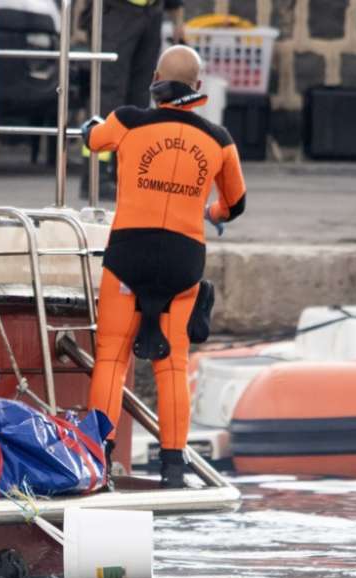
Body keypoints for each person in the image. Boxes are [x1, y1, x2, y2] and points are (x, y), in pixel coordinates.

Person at [83, 45, 245, 488]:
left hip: (128, 253)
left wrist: (90, 129)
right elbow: (236, 203)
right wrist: (212, 214)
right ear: (198, 86)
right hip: (182, 260)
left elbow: (92, 140)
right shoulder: (219, 140)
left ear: (155, 78)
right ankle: (174, 466)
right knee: (173, 363)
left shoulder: (128, 120)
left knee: (112, 357)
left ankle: (99, 458)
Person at [73, 0, 185, 198]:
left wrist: (178, 19)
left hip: (151, 13)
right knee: (107, 95)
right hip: (115, 12)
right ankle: (96, 174)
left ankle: (128, 172)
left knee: (139, 99)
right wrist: (78, 19)